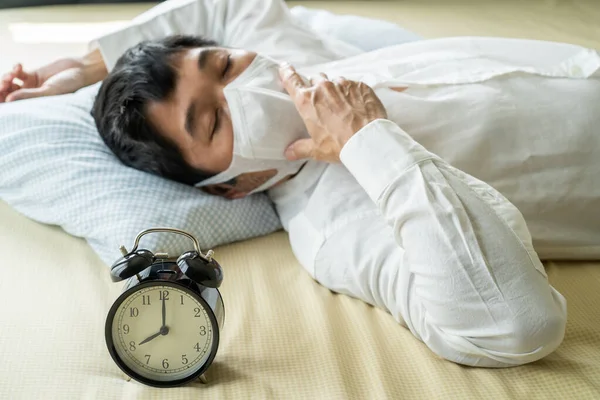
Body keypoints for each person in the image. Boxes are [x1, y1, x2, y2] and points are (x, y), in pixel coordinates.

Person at [2, 0, 600, 368]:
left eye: (227, 67)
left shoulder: (295, 58)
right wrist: (370, 142)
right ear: (225, 188)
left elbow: (220, 8)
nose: (243, 89)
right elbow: (513, 327)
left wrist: (82, 68)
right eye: (215, 121)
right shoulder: (332, 230)